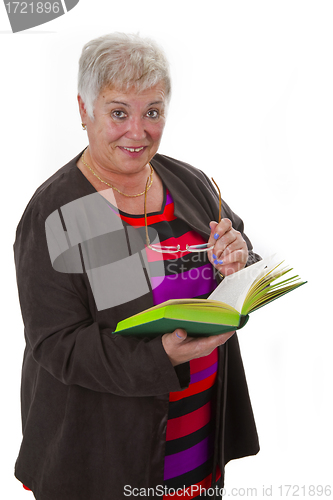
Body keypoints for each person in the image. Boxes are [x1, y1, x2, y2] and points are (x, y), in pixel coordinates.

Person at [14, 33, 260, 500]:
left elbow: (240, 250)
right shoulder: (60, 210)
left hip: (197, 444)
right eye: (119, 112)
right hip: (104, 459)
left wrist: (238, 254)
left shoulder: (187, 181)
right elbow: (57, 344)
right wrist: (159, 357)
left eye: (153, 112)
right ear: (85, 111)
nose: (138, 131)